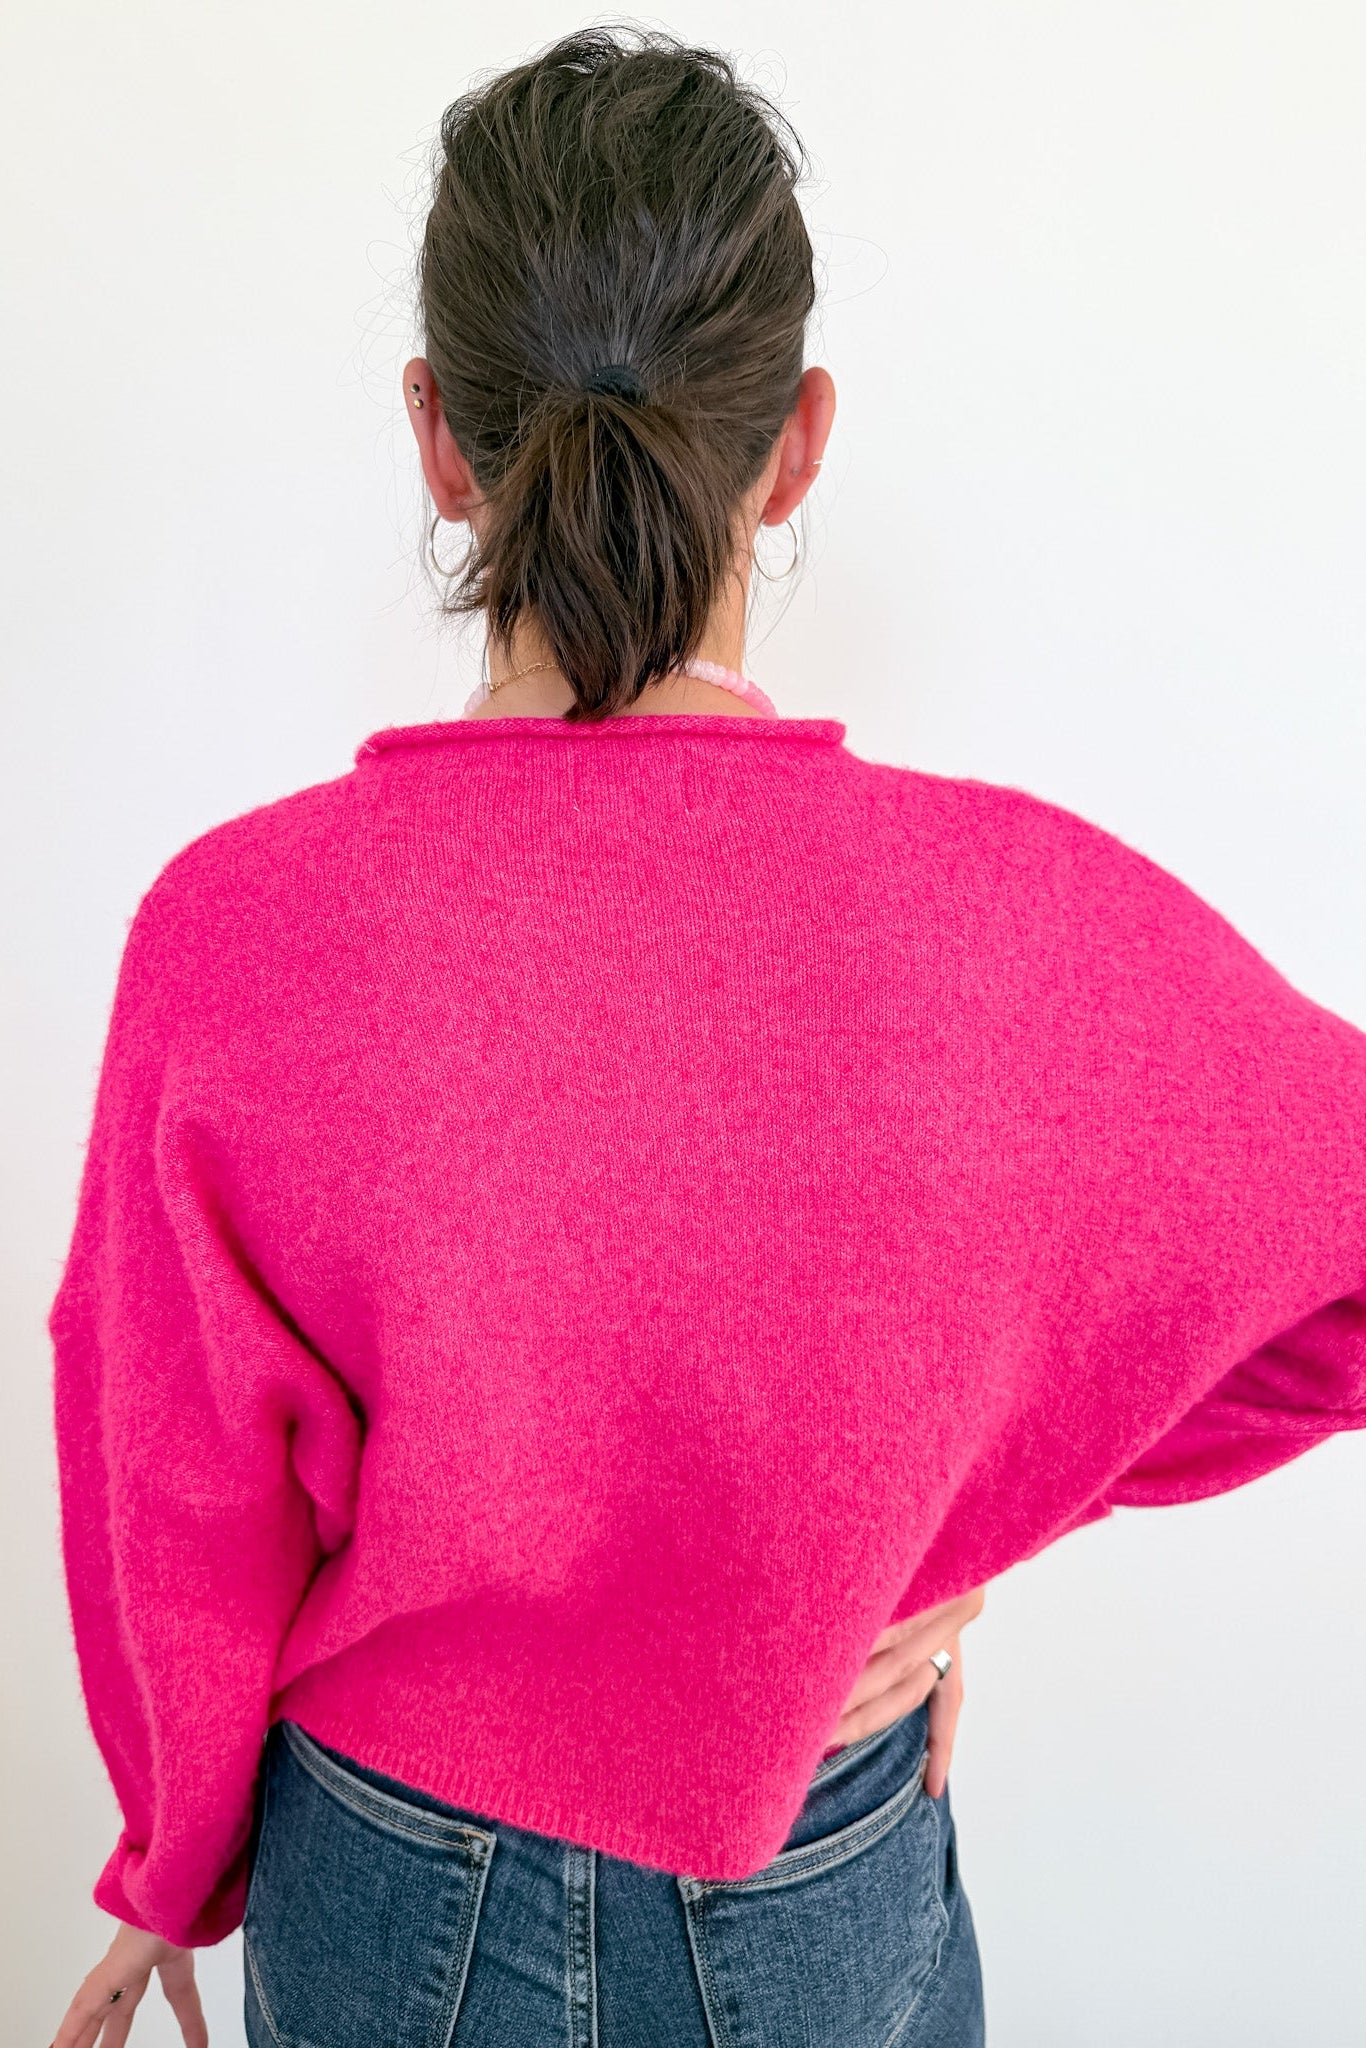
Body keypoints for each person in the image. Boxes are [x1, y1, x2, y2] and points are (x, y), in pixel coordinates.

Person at [47, 26, 1366, 2048]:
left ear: (436, 436)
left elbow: (176, 1490)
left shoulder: (234, 929)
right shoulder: (1011, 919)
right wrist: (954, 1519)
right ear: (799, 440)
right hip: (816, 1858)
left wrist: (170, 1866)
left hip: (387, 1871)